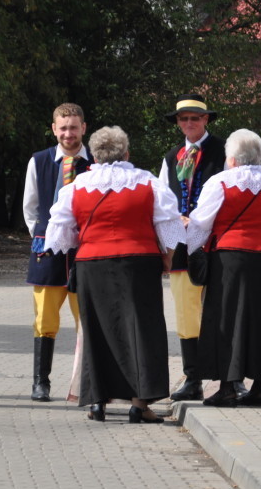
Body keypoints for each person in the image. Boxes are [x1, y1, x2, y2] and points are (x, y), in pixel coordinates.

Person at [47, 126, 185, 423]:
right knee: (142, 331)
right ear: (127, 154)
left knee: (96, 330)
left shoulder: (76, 186)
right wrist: (167, 258)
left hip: (92, 263)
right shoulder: (147, 182)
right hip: (139, 261)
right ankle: (139, 404)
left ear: (94, 157)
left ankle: (98, 402)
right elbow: (168, 224)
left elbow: (61, 232)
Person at [187, 129, 261, 407]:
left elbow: (201, 223)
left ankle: (227, 386)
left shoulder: (221, 183)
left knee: (228, 318)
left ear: (232, 159)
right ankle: (258, 388)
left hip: (233, 257)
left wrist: (189, 250)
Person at [159, 94, 244, 402]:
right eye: (183, 119)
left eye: (195, 117)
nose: (189, 123)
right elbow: (162, 199)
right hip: (182, 244)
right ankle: (193, 378)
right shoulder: (172, 156)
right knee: (186, 310)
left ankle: (232, 379)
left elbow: (235, 192)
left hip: (217, 241)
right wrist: (168, 235)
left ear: (206, 119)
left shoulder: (224, 151)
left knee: (223, 309)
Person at [22, 103, 91, 402]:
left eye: (73, 127)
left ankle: (85, 384)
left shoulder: (95, 162)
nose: (68, 133)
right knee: (44, 321)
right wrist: (44, 237)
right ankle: (41, 383)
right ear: (53, 129)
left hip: (85, 252)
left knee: (86, 321)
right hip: (47, 254)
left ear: (83, 128)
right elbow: (30, 207)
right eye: (63, 128)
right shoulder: (38, 161)